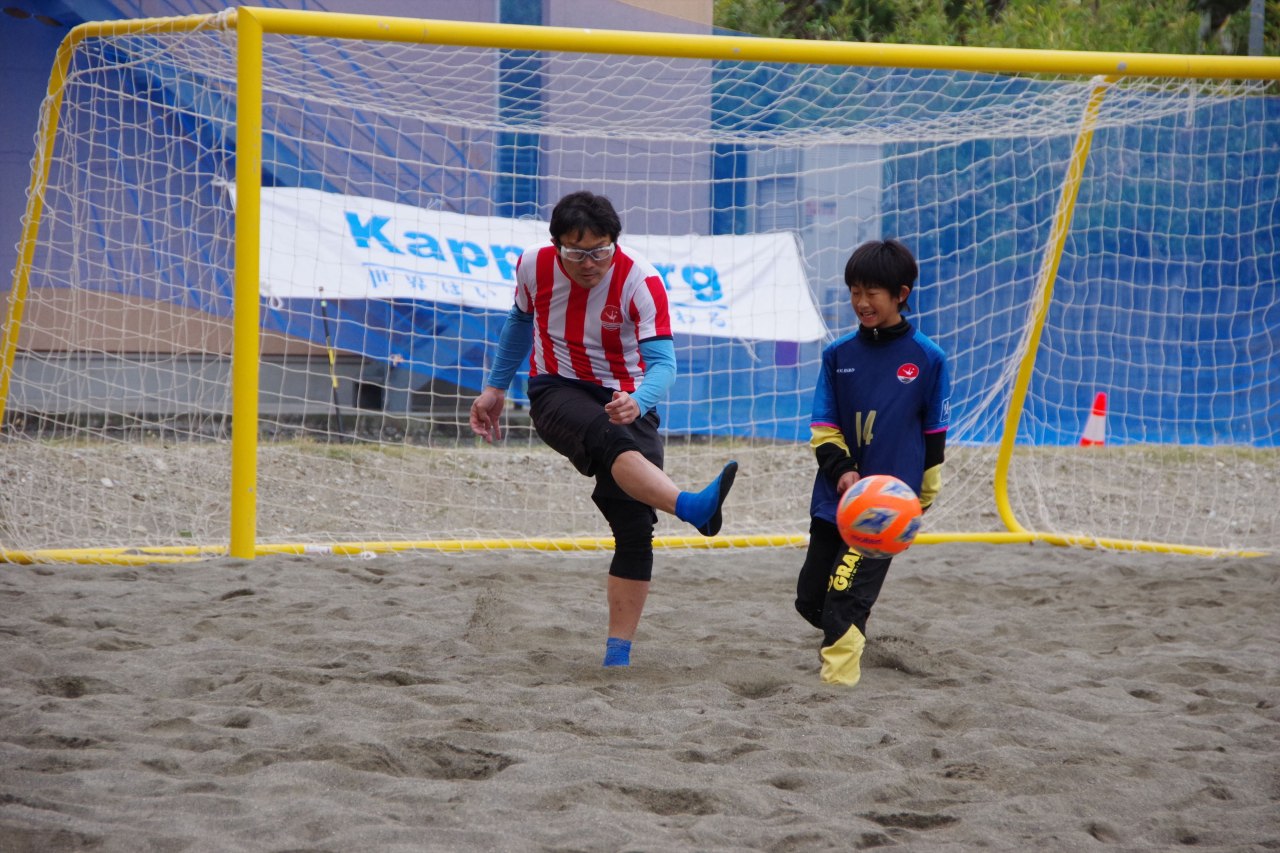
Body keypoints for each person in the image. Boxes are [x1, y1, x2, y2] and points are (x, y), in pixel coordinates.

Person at [469, 190, 737, 669]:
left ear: (615, 243)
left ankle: (617, 657)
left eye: (600, 251)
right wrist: (495, 387)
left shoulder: (641, 281)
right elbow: (519, 321)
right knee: (606, 436)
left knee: (635, 528)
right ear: (556, 245)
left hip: (629, 399)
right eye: (576, 253)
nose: (590, 263)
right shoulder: (532, 265)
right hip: (556, 388)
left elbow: (664, 366)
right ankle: (691, 506)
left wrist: (638, 401)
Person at [794, 239, 950, 686]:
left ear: (901, 294)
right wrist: (844, 472)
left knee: (844, 598)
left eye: (872, 293)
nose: (861, 302)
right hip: (834, 500)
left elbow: (935, 434)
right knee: (810, 600)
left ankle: (836, 689)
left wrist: (922, 495)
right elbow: (823, 427)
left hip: (886, 510)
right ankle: (851, 633)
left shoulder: (928, 358)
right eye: (854, 292)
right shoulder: (838, 355)